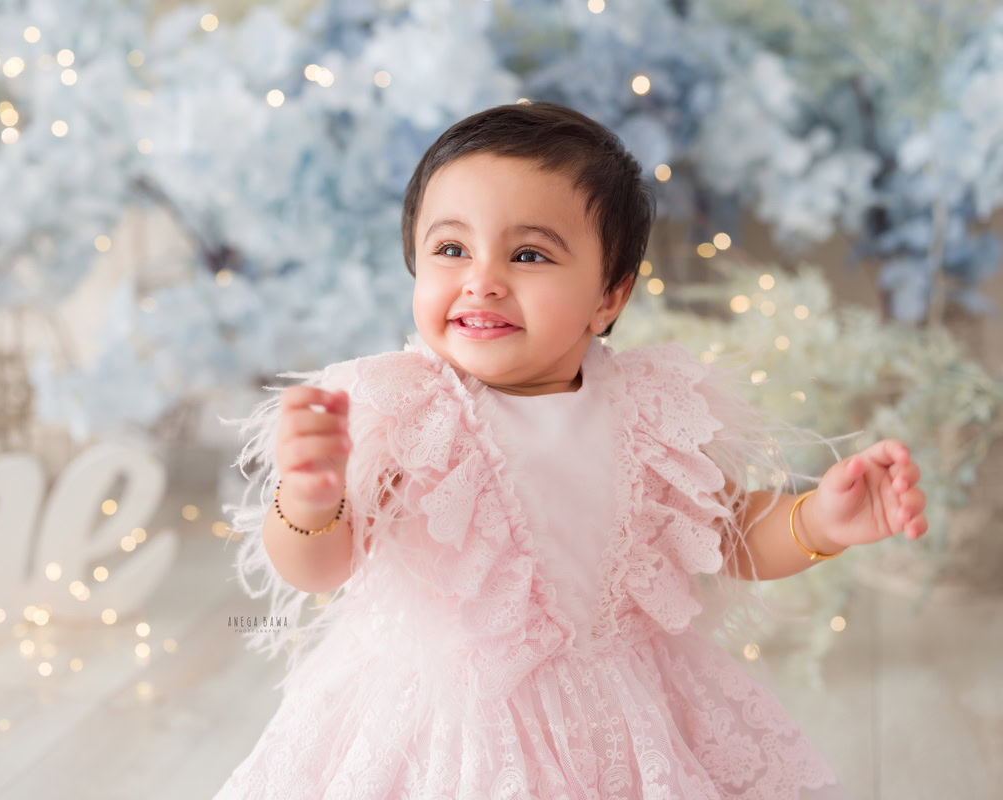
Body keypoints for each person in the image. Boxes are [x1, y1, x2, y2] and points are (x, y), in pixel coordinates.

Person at [213, 101, 928, 799]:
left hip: (625, 716)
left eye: (528, 254)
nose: (481, 279)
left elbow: (728, 535)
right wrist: (311, 499)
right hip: (450, 727)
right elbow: (318, 567)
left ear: (608, 298)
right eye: (450, 249)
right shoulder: (405, 410)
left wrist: (818, 524)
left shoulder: (651, 409)